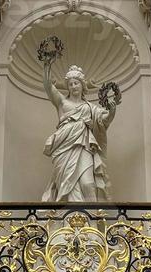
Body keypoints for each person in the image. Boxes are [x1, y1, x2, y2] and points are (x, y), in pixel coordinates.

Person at [41, 63, 115, 203]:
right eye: (70, 84)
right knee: (65, 183)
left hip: (85, 146)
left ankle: (92, 220)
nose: (74, 86)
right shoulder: (62, 102)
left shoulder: (90, 107)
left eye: (76, 83)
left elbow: (103, 121)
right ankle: (66, 218)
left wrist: (112, 111)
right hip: (64, 147)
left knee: (88, 184)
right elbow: (48, 86)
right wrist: (47, 65)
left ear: (82, 85)